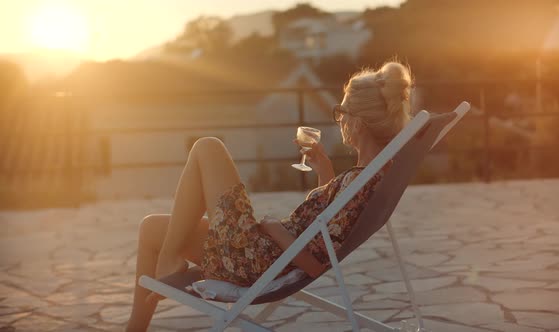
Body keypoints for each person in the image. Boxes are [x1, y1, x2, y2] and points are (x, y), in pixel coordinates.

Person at [125, 60, 413, 331]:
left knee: (207, 147)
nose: (339, 119)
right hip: (261, 253)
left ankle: (166, 262)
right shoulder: (371, 177)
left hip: (257, 259)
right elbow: (326, 226)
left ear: (358, 123)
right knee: (151, 228)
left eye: (342, 112)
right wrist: (324, 168)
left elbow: (316, 264)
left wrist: (274, 228)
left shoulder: (358, 182)